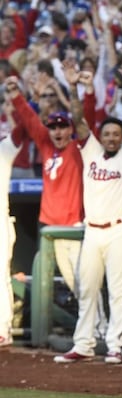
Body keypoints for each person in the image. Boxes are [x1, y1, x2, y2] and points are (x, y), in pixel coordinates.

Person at [53, 62, 122, 364]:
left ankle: (115, 345)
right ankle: (84, 344)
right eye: (108, 134)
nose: (113, 137)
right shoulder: (90, 149)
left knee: (117, 292)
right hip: (92, 230)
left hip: (118, 230)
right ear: (101, 136)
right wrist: (73, 86)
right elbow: (78, 120)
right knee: (87, 289)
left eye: (116, 134)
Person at [6, 76, 85, 327]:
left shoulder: (78, 149)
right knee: (44, 279)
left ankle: (97, 327)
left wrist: (73, 90)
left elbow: (85, 117)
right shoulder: (46, 146)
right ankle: (45, 329)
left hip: (72, 226)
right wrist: (18, 96)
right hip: (48, 225)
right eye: (53, 127)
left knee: (80, 282)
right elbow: (29, 120)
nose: (58, 132)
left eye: (62, 127)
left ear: (71, 129)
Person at [0, 96, 22, 348]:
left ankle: (3, 327)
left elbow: (21, 131)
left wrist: (15, 105)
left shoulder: (3, 150)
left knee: (0, 276)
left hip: (0, 221)